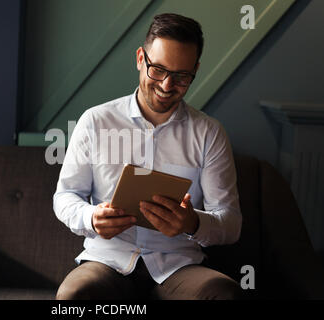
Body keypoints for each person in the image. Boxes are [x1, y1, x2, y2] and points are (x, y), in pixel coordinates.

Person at [53, 13, 243, 300]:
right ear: (141, 58)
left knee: (223, 294)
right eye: (158, 70)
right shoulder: (95, 121)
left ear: (196, 70)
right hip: (106, 260)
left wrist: (192, 223)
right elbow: (64, 196)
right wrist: (91, 218)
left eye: (181, 76)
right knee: (73, 298)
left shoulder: (209, 133)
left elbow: (231, 224)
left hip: (179, 265)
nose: (167, 85)